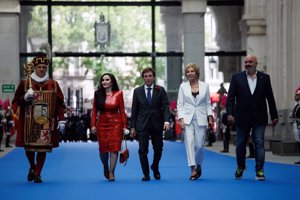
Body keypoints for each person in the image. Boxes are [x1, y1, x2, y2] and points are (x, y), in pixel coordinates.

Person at [12, 54, 66, 183]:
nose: (41, 69)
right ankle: (32, 166)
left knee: (43, 147)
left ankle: (38, 173)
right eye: (39, 67)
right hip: (29, 121)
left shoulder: (53, 84)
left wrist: (62, 119)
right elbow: (15, 101)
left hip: (46, 122)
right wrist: (24, 98)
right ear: (34, 68)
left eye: (44, 67)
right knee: (29, 147)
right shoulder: (25, 84)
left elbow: (60, 103)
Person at [226, 55, 278, 181]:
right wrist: (230, 114)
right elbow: (231, 98)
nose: (248, 64)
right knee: (240, 144)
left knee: (259, 143)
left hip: (259, 117)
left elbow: (270, 98)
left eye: (250, 62)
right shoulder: (237, 78)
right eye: (246, 62)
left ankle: (259, 170)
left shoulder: (265, 78)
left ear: (256, 64)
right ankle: (240, 166)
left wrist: (274, 115)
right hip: (242, 117)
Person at [130, 67, 170, 181]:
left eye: (150, 76)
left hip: (157, 124)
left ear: (154, 77)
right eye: (146, 76)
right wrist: (132, 126)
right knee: (142, 150)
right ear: (143, 77)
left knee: (158, 148)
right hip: (142, 124)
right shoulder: (137, 91)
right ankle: (146, 174)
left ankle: (155, 166)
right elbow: (134, 110)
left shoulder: (160, 90)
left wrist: (166, 121)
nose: (148, 78)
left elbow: (166, 106)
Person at [177, 63, 214, 180]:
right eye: (188, 71)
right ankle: (192, 169)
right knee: (189, 143)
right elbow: (180, 104)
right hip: (187, 119)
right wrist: (181, 118)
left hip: (201, 118)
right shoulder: (183, 86)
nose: (190, 73)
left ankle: (199, 164)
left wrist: (210, 117)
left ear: (197, 73)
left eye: (192, 71)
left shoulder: (205, 86)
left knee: (199, 144)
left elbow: (208, 103)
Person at [91, 73, 127, 181]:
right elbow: (94, 111)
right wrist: (93, 125)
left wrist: (124, 126)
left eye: (107, 79)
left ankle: (112, 172)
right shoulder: (97, 94)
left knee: (115, 149)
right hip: (102, 124)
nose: (104, 82)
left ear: (112, 81)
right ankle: (105, 167)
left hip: (116, 124)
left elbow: (122, 111)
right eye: (103, 80)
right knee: (103, 150)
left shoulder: (119, 93)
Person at [290, 87, 300, 164]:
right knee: (298, 142)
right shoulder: (297, 105)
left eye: (297, 95)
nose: (295, 96)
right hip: (296, 125)